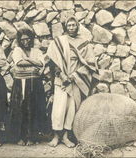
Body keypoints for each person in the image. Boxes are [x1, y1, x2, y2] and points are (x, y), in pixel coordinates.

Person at [46, 15, 98, 147]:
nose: (71, 28)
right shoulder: (59, 41)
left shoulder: (84, 43)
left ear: (77, 26)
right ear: (65, 27)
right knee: (59, 108)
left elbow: (89, 64)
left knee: (71, 109)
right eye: (69, 25)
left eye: (73, 25)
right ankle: (56, 136)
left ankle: (65, 137)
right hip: (61, 80)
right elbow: (53, 60)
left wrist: (74, 76)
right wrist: (61, 74)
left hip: (76, 80)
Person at [7, 29, 47, 146]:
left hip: (35, 83)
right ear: (20, 40)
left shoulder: (37, 51)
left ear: (31, 39)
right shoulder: (17, 50)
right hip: (20, 82)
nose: (25, 41)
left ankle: (31, 137)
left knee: (33, 108)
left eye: (27, 38)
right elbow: (19, 63)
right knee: (20, 108)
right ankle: (20, 137)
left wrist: (28, 60)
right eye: (23, 39)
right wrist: (33, 63)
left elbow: (41, 64)